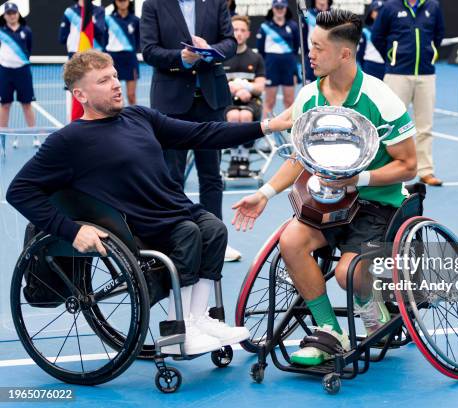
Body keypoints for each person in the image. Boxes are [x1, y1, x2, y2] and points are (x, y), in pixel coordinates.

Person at [6, 50, 291, 356]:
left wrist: (266, 126)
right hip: (138, 224)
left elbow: (202, 132)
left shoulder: (139, 116)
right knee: (188, 234)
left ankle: (197, 320)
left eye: (115, 76)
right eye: (104, 80)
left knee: (214, 229)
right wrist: (72, 231)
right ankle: (178, 327)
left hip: (172, 210)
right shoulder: (67, 141)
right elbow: (19, 190)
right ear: (81, 95)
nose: (116, 84)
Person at [232, 9, 417, 366]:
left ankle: (374, 301)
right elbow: (299, 159)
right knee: (291, 240)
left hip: (377, 203)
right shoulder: (308, 98)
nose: (310, 54)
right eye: (309, 46)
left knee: (349, 273)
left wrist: (357, 179)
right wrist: (264, 194)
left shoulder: (381, 99)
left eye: (317, 48)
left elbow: (408, 166)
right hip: (327, 202)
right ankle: (331, 330)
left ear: (344, 53)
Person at [141, 0, 242, 262]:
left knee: (211, 175)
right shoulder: (153, 5)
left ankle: (216, 241)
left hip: (211, 100)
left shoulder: (217, 2)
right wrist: (181, 58)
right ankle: (175, 239)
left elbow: (230, 42)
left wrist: (210, 50)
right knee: (171, 177)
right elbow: (149, 50)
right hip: (171, 102)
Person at [372, 0, 445, 187]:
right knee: (391, 126)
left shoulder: (432, 6)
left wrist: (431, 54)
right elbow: (377, 36)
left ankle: (426, 171)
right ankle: (389, 172)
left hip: (426, 74)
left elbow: (439, 35)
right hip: (397, 75)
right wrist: (392, 57)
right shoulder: (390, 7)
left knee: (425, 127)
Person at [223, 15, 266, 178]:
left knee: (246, 115)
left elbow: (259, 87)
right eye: (235, 30)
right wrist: (232, 89)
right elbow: (216, 86)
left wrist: (246, 88)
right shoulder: (222, 57)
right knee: (234, 115)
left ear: (248, 34)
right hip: (228, 102)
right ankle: (235, 158)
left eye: (242, 30)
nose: (238, 33)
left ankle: (244, 159)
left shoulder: (256, 58)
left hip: (251, 101)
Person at [0, 2, 37, 148]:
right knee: (4, 105)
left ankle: (35, 137)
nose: (12, 16)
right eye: (8, 13)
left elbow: (29, 49)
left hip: (23, 71)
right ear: (4, 15)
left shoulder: (26, 31)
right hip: (5, 72)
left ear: (18, 14)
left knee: (27, 104)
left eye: (14, 13)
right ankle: (2, 138)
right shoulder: (1, 32)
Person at [257, 0, 300, 118]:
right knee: (269, 102)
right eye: (277, 7)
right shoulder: (265, 27)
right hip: (271, 68)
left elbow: (296, 47)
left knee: (290, 102)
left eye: (282, 7)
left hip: (288, 68)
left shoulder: (293, 26)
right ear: (273, 8)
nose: (280, 9)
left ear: (286, 8)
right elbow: (260, 50)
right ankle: (265, 134)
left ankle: (290, 133)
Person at [105, 0, 140, 105]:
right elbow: (104, 39)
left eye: (124, 0)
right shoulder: (108, 19)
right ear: (115, 2)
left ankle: (134, 121)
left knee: (131, 96)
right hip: (113, 60)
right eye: (120, 1)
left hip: (130, 60)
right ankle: (117, 121)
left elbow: (138, 40)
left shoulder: (136, 20)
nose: (122, 3)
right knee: (115, 96)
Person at [303, 0, 332, 83]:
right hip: (312, 56)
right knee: (310, 88)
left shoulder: (335, 15)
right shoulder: (307, 15)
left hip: (330, 56)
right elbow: (303, 39)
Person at [357, 0, 385, 80]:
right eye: (376, 10)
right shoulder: (365, 31)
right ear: (371, 13)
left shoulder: (389, 30)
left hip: (386, 67)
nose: (379, 13)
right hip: (370, 66)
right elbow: (359, 54)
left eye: (382, 10)